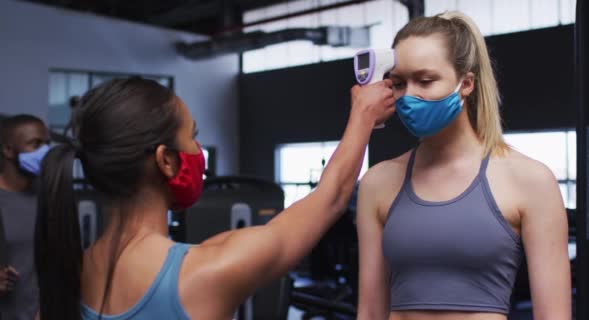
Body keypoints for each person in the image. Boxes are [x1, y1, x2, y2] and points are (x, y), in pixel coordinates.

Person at [34, 77, 394, 320]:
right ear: (166, 160)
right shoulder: (208, 272)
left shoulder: (64, 276)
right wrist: (363, 116)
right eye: (193, 137)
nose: (198, 151)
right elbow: (330, 198)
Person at [356, 11, 571, 320]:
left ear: (466, 83)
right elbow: (370, 311)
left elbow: (554, 316)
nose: (408, 97)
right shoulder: (377, 182)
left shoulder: (530, 180)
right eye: (399, 84)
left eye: (425, 81)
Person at [0, 114, 50, 320]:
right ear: (8, 150)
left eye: (47, 144)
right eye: (35, 144)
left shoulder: (49, 198)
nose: (45, 152)